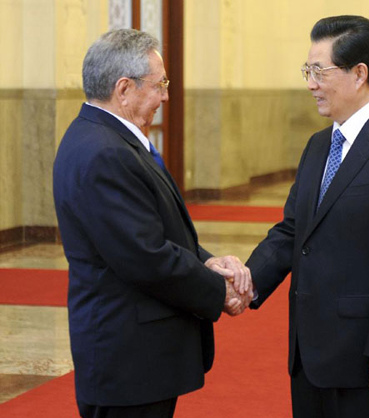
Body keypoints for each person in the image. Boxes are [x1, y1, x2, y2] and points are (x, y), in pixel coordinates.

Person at [246, 15, 369, 418]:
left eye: (320, 71)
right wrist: (246, 282)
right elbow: (293, 231)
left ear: (359, 74)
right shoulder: (319, 144)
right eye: (308, 70)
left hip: (366, 361)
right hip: (309, 355)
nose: (310, 83)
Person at [53, 29, 252, 418]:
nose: (165, 96)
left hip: (137, 356)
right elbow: (145, 256)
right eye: (158, 84)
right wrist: (218, 290)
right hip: (127, 358)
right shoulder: (103, 152)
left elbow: (155, 230)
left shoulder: (108, 139)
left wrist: (207, 261)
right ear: (123, 89)